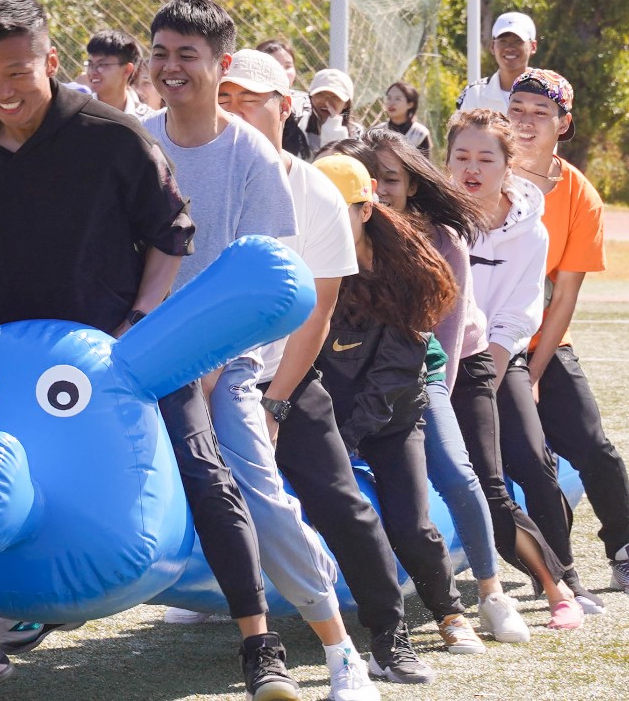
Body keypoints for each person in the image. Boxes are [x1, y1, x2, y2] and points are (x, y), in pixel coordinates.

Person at [0, 0, 288, 701]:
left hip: (127, 357)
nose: (2, 90)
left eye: (17, 72)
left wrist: (136, 325)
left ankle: (259, 643)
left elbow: (172, 233)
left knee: (205, 474)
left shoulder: (111, 136)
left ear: (50, 62)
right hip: (19, 365)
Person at [142, 0, 400, 699]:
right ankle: (1, 623)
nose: (171, 67)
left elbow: (263, 286)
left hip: (227, 363)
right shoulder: (133, 140)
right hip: (138, 356)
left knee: (258, 497)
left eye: (187, 55)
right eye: (160, 53)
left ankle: (339, 648)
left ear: (219, 62)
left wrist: (215, 369)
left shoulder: (254, 159)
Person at [215, 49, 432, 687]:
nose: (234, 112)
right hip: (197, 374)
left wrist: (276, 405)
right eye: (224, 99)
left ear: (285, 107)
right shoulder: (192, 170)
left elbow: (317, 312)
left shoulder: (313, 192)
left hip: (283, 375)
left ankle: (386, 637)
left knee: (341, 501)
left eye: (250, 100)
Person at [329, 129, 576, 635]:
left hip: (453, 361)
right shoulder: (343, 232)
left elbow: (445, 336)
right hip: (381, 367)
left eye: (391, 179)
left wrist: (430, 404)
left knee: (466, 475)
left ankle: (507, 591)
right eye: (370, 180)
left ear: (413, 184)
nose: (380, 189)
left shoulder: (440, 239)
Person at [305, 154, 488, 660]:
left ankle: (449, 613)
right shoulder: (304, 266)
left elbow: (394, 376)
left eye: (333, 213)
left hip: (393, 417)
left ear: (365, 210)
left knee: (410, 524)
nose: (319, 226)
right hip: (322, 415)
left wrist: (346, 439)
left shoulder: (410, 271)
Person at [508, 68, 629, 597]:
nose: (526, 122)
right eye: (517, 109)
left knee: (593, 446)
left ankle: (625, 551)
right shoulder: (481, 171)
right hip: (476, 345)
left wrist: (534, 373)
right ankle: (548, 562)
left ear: (563, 123)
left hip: (540, 343)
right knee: (522, 459)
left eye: (541, 113)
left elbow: (565, 295)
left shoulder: (579, 195)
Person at [446, 108, 593, 618]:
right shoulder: (434, 220)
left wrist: (486, 374)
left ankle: (565, 576)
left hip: (499, 355)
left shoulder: (532, 230)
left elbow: (520, 312)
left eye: (486, 158)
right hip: (441, 359)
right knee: (475, 474)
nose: (472, 168)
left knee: (531, 458)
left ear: (508, 165)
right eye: (461, 156)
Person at [457, 11, 537, 113]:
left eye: (517, 41)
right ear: (492, 46)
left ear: (533, 46)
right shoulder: (474, 94)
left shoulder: (549, 92)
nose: (509, 48)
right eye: (503, 41)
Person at [256, 38, 313, 161]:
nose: (283, 72)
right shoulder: (244, 104)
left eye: (288, 66)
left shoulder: (308, 104)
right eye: (275, 66)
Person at [83, 29, 154, 119]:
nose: (92, 71)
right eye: (90, 64)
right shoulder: (77, 114)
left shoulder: (147, 120)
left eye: (101, 64)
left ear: (127, 70)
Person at [306, 68, 364, 151]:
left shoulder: (356, 133)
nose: (326, 102)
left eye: (335, 97)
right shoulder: (299, 126)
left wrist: (334, 126)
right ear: (311, 98)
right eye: (320, 95)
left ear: (346, 104)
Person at [383, 81, 432, 154]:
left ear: (410, 104)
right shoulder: (378, 131)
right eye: (389, 98)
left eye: (397, 99)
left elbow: (424, 160)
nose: (391, 103)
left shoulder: (420, 134)